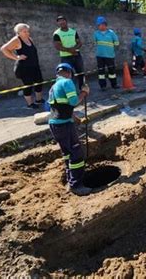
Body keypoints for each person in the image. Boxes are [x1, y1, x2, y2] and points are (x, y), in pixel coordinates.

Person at [48, 63, 91, 196]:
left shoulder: (53, 87)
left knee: (67, 153)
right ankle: (77, 185)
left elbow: (61, 106)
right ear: (69, 72)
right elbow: (73, 102)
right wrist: (84, 92)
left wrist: (75, 119)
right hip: (64, 125)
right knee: (76, 154)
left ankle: (70, 180)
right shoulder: (67, 82)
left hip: (55, 124)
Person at [0, 23, 44, 109]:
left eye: (28, 31)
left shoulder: (29, 39)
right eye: (24, 31)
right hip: (24, 68)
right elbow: (4, 49)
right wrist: (16, 57)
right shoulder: (17, 40)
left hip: (34, 66)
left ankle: (39, 100)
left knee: (39, 82)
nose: (27, 33)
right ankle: (30, 104)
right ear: (18, 32)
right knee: (28, 85)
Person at [53, 15, 84, 89]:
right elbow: (58, 46)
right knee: (68, 75)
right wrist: (71, 51)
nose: (61, 22)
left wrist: (74, 49)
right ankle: (71, 91)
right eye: (59, 21)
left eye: (63, 20)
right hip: (65, 57)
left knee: (81, 73)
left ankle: (82, 89)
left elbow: (79, 43)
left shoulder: (73, 31)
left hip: (77, 55)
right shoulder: (57, 33)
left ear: (66, 21)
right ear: (58, 23)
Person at [94, 16, 120, 90]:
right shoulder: (96, 33)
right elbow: (94, 43)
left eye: (102, 24)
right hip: (100, 56)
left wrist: (111, 46)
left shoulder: (111, 33)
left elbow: (117, 42)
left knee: (112, 71)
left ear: (105, 24)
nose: (100, 26)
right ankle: (103, 86)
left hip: (110, 55)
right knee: (101, 72)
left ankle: (114, 84)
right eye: (99, 25)